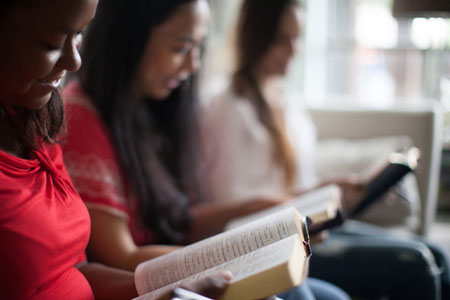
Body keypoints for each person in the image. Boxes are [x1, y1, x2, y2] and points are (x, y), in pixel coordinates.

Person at [61, 0, 350, 299]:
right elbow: (118, 255)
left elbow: (179, 221)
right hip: (149, 283)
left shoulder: (148, 110)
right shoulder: (82, 115)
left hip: (172, 266)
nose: (193, 65)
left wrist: (251, 210)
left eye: (198, 48)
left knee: (333, 296)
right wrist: (227, 260)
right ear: (127, 39)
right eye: (180, 48)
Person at [202, 0, 450, 299]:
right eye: (283, 39)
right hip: (274, 244)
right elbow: (237, 210)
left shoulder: (287, 102)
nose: (294, 50)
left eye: (298, 38)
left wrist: (339, 190)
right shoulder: (226, 107)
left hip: (307, 228)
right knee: (414, 263)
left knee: (438, 253)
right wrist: (309, 196)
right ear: (256, 36)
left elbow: (297, 185)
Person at [0, 0, 241, 299]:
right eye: (51, 43)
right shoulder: (79, 114)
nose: (75, 61)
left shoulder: (35, 123)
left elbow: (75, 271)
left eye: (79, 36)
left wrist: (171, 289)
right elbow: (117, 255)